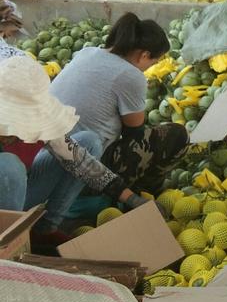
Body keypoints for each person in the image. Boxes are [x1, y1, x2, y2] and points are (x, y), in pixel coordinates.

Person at [0, 56, 151, 237]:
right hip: (6, 200)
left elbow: (79, 161)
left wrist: (131, 199)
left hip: (23, 194)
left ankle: (46, 228)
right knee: (9, 167)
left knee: (87, 142)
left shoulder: (39, 121)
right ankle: (10, 242)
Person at [50, 13, 188, 195]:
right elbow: (135, 134)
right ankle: (141, 194)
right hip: (88, 168)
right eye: (153, 62)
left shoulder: (87, 52)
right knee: (177, 136)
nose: (150, 67)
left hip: (49, 158)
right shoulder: (131, 75)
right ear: (144, 55)